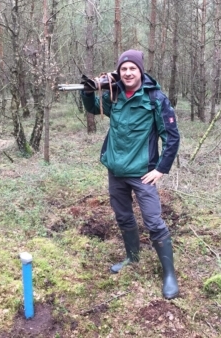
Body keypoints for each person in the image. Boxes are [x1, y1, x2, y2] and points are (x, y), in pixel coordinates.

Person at [81, 49, 180, 299]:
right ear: (118, 71)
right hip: (116, 170)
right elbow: (94, 108)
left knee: (153, 222)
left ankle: (169, 275)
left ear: (140, 70)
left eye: (132, 68)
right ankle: (132, 257)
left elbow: (172, 136)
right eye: (123, 69)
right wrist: (89, 89)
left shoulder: (155, 98)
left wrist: (161, 168)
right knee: (124, 217)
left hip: (142, 172)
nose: (127, 72)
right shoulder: (114, 94)